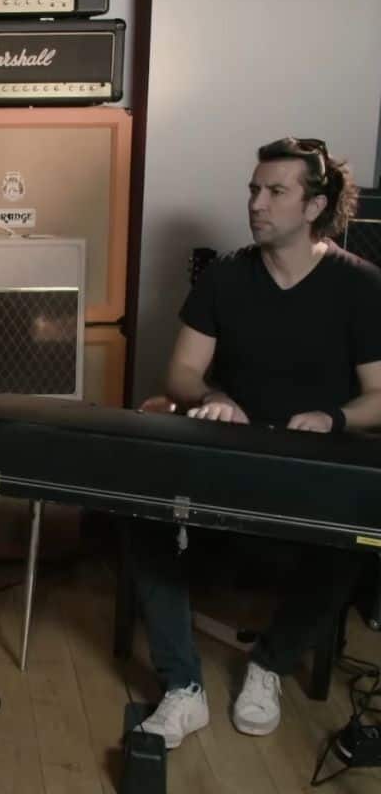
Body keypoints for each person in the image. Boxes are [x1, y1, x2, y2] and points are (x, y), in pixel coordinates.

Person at [134, 137, 381, 749]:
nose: (256, 204)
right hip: (228, 456)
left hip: (312, 465)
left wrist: (333, 418)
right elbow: (180, 373)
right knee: (143, 514)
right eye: (253, 190)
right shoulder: (226, 277)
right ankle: (182, 685)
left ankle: (270, 665)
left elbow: (380, 395)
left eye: (275, 192)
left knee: (355, 535)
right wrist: (210, 397)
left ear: (315, 206)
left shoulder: (360, 286)